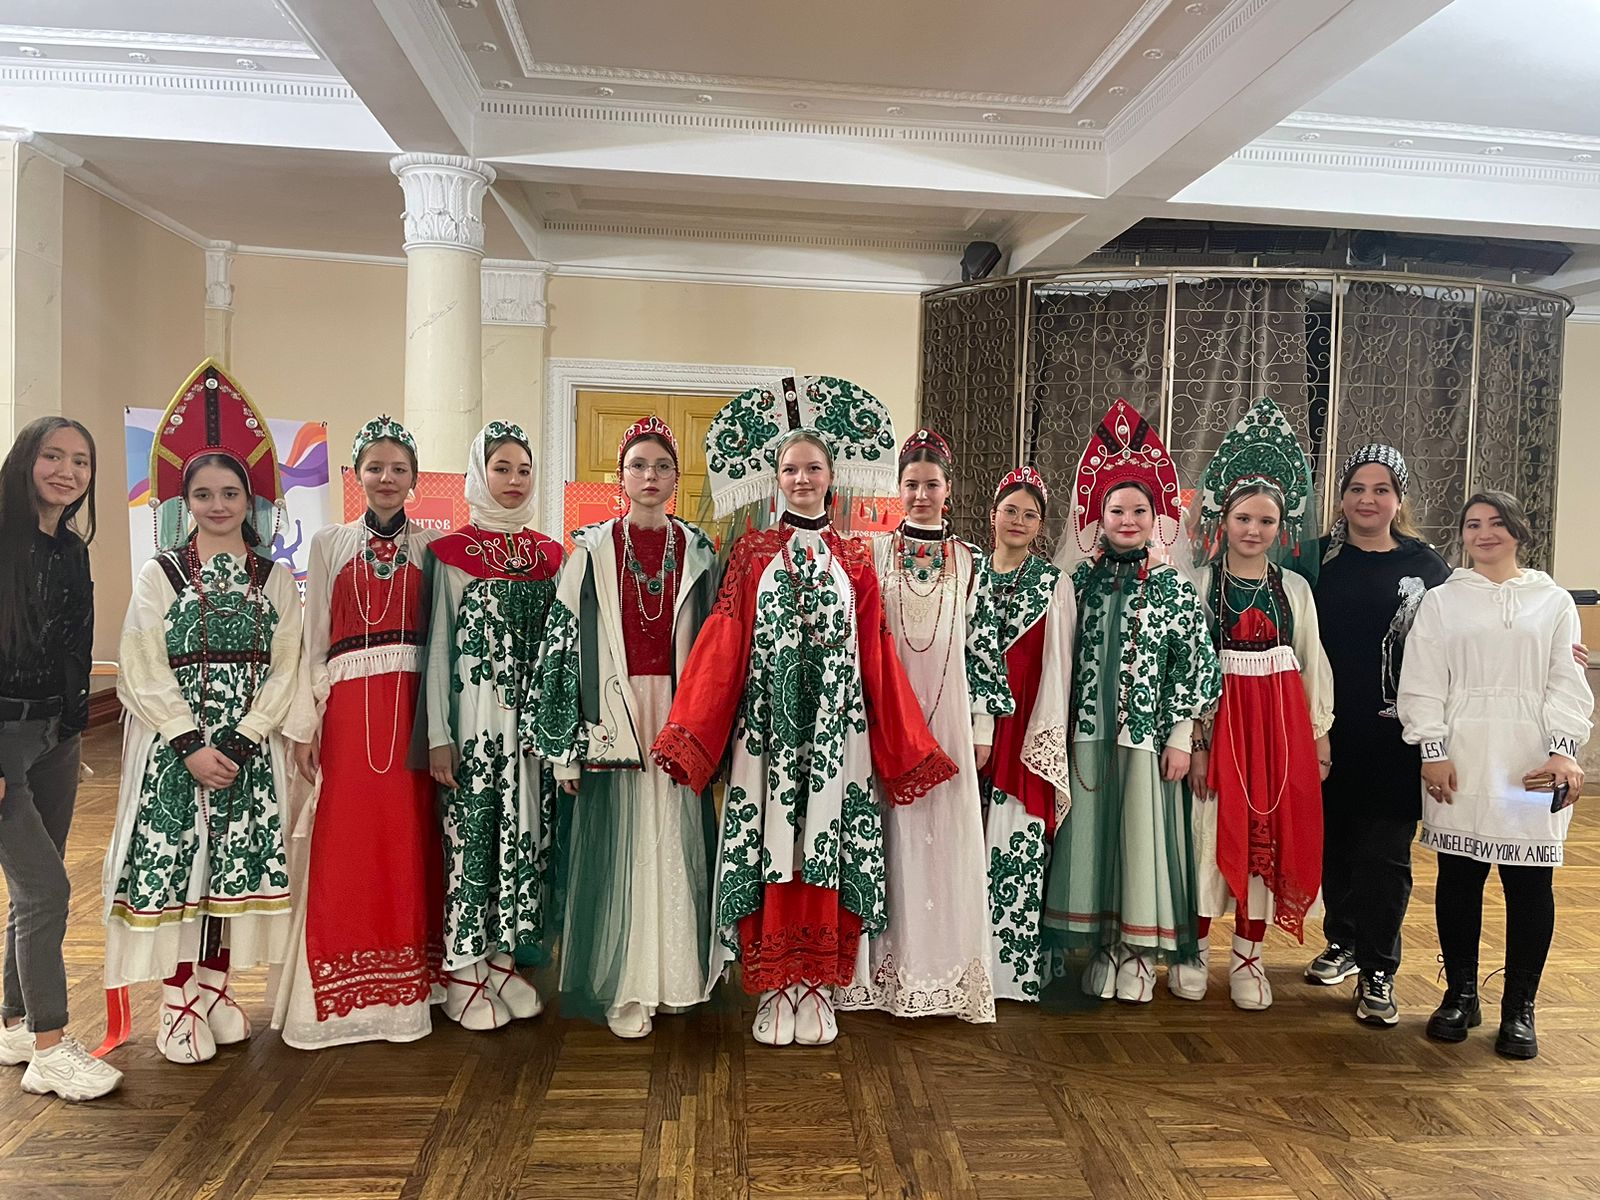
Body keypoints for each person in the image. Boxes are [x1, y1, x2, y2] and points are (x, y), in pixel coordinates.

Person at [651, 376, 955, 1047]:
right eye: (790, 469)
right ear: (776, 478)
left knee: (825, 846)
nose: (802, 479)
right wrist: (693, 730)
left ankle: (817, 983)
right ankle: (774, 985)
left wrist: (902, 742)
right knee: (772, 845)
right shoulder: (752, 553)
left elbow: (877, 655)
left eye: (813, 468)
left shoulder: (856, 557)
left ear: (831, 476)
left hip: (838, 736)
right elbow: (724, 643)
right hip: (768, 734)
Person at [104, 361, 303, 1064]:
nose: (218, 505)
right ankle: (178, 997)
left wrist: (244, 741)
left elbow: (287, 666)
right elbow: (141, 662)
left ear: (251, 500)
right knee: (178, 869)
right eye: (203, 494)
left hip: (248, 754)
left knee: (231, 869)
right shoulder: (160, 574)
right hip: (175, 753)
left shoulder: (275, 579)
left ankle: (218, 987)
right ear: (184, 501)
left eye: (230, 493)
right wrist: (188, 741)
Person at [529, 416, 719, 1039]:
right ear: (620, 475)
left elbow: (718, 650)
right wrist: (564, 753)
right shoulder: (589, 551)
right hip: (611, 712)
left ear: (676, 478)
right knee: (622, 847)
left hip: (677, 711)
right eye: (638, 465)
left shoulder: (697, 550)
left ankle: (674, 978)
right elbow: (561, 653)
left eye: (662, 466)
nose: (650, 476)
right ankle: (626, 984)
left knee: (674, 837)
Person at [1398, 490, 1592, 1060]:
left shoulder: (1553, 601)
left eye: (1496, 522)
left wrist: (1563, 751)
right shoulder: (1442, 601)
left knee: (1529, 884)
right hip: (1462, 755)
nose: (1484, 533)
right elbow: (1422, 679)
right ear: (1461, 535)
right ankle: (1460, 994)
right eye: (1472, 524)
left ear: (1518, 531)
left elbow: (1565, 679)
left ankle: (1519, 1007)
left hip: (1532, 760)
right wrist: (1432, 749)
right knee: (1460, 876)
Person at [1042, 401, 1221, 1004]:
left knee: (1141, 843)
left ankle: (1139, 951)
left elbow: (1194, 668)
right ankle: (1104, 945)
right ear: (1099, 517)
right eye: (1116, 510)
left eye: (1139, 510)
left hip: (1146, 740)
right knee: (1093, 842)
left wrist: (1180, 738)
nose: (1127, 519)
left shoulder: (1173, 588)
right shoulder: (1078, 584)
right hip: (1087, 737)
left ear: (1155, 518)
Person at [273, 416, 443, 1049]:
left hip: (414, 707)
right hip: (348, 709)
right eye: (375, 467)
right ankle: (339, 992)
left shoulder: (435, 546)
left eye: (399, 468)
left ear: (415, 478)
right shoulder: (329, 544)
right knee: (345, 838)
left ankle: (413, 985)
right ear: (358, 475)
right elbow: (313, 636)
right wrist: (308, 721)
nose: (387, 478)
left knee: (411, 837)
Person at [836, 428, 1010, 1025]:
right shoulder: (871, 553)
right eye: (910, 484)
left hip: (951, 714)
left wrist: (983, 726)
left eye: (930, 484)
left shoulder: (971, 561)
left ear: (948, 489)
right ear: (897, 488)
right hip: (886, 715)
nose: (920, 494)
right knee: (887, 835)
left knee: (945, 836)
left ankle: (942, 973)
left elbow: (984, 646)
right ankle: (883, 972)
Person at [1187, 398, 1333, 1011]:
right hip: (1220, 731)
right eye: (1243, 518)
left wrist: (1320, 737)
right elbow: (1187, 672)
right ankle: (1193, 949)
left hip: (1277, 734)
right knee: (1205, 834)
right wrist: (1196, 744)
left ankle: (1249, 955)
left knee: (1266, 835)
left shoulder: (1294, 589)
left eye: (1266, 521)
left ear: (1281, 528)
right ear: (1223, 520)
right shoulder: (1198, 585)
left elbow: (1311, 663)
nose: (1253, 530)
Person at [421, 421, 562, 1030]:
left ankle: (502, 958)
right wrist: (438, 735)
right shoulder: (451, 553)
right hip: (475, 723)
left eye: (524, 470)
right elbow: (438, 648)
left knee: (524, 834)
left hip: (531, 729)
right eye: (501, 468)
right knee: (474, 837)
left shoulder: (550, 556)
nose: (514, 480)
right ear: (479, 474)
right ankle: (462, 966)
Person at [1306, 445, 1451, 1025]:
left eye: (1381, 489)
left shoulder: (1428, 567)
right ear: (1341, 496)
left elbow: (1466, 636)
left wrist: (1548, 653)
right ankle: (1342, 940)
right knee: (1335, 846)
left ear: (1399, 498)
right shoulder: (1317, 561)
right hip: (1324, 731)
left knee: (1384, 855)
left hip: (1395, 737)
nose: (1368, 500)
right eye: (1357, 488)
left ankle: (1379, 968)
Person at [0, 417, 121, 1100]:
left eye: (81, 461)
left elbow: (75, 646)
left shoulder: (72, 550)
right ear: (26, 460)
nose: (67, 471)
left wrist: (71, 729)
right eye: (53, 456)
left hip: (57, 735)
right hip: (3, 737)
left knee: (31, 891)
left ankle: (15, 1023)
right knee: (47, 889)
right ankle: (50, 1048)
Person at [975, 466, 1075, 1003]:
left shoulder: (1053, 585)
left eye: (1030, 514)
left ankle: (1007, 974)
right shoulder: (965, 572)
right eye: (1010, 510)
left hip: (1023, 732)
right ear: (992, 515)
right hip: (964, 728)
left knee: (1015, 848)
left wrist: (1045, 740)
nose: (1018, 520)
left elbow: (1060, 669)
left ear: (1041, 525)